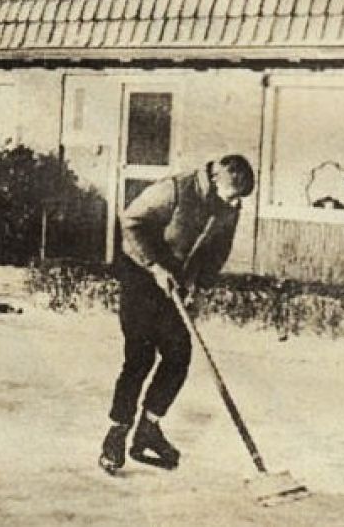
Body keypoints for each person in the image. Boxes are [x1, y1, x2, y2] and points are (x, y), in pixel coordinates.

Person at [99, 155, 255, 474]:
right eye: (233, 195)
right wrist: (154, 266)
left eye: (239, 199)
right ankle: (116, 433)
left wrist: (200, 286)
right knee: (140, 357)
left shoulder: (229, 206)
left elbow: (218, 251)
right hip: (141, 276)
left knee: (178, 355)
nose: (235, 204)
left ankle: (148, 428)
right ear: (217, 179)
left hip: (178, 283)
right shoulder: (174, 190)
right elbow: (131, 222)